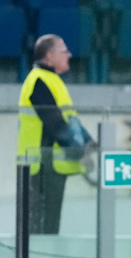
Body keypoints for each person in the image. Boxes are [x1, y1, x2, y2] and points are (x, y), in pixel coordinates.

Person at [17, 34, 95, 234]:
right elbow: (55, 124)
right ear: (49, 56)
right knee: (43, 228)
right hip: (42, 166)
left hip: (50, 166)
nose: (69, 55)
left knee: (49, 225)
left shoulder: (53, 81)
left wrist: (88, 141)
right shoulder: (39, 81)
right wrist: (80, 151)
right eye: (64, 51)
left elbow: (70, 119)